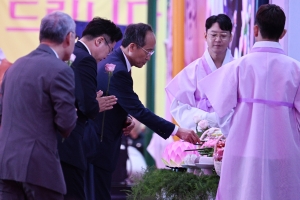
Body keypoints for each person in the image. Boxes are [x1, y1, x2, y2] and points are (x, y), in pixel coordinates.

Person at [199, 4, 300, 200]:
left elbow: (222, 114)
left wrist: (236, 134)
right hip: (284, 153)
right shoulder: (296, 70)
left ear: (255, 29)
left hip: (243, 151)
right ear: (284, 33)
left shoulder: (237, 67)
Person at [89, 23, 201, 200]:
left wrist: (123, 117)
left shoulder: (116, 62)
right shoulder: (117, 70)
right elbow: (140, 111)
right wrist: (178, 131)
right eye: (148, 51)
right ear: (132, 47)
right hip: (99, 145)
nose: (149, 57)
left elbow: (116, 100)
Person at [0, 11, 77, 199]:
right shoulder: (60, 70)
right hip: (39, 169)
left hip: (6, 166)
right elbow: (66, 124)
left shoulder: (14, 67)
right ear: (68, 37)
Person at [57, 17, 124, 200]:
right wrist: (97, 104)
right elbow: (86, 106)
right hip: (71, 143)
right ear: (99, 41)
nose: (106, 56)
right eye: (109, 50)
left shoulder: (71, 54)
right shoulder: (85, 60)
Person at [165, 14, 233, 131]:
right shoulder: (193, 70)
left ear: (230, 37)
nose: (218, 39)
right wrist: (205, 118)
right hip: (201, 136)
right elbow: (179, 107)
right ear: (205, 36)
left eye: (223, 35)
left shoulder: (238, 68)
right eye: (213, 35)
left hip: (231, 134)